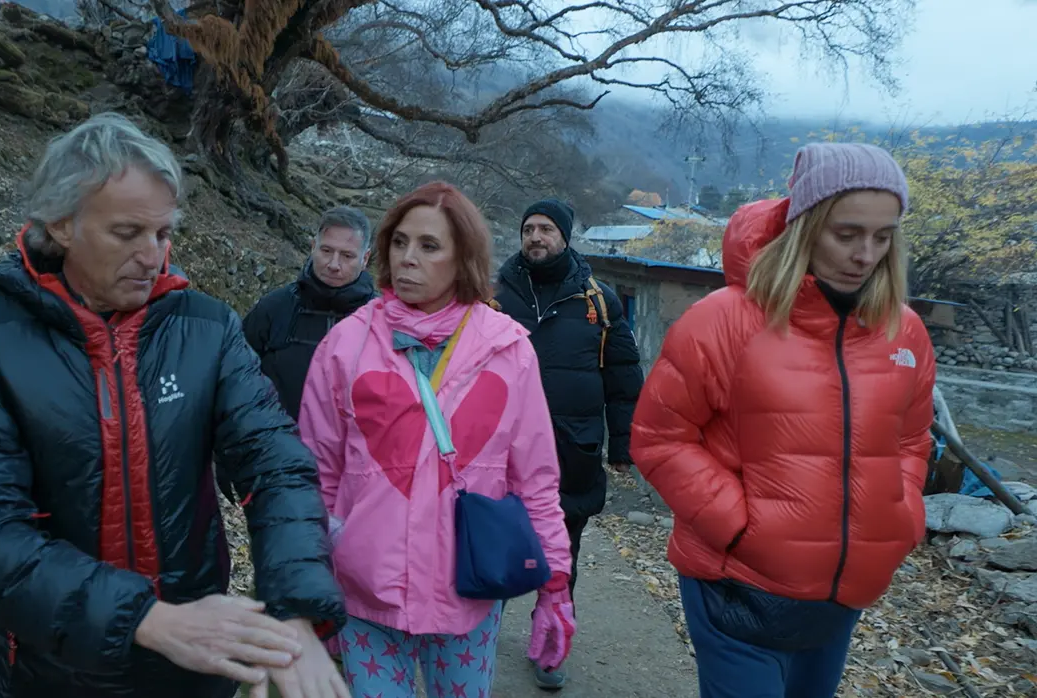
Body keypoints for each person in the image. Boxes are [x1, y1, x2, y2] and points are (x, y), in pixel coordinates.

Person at [0, 112, 349, 698]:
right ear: (61, 224)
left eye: (163, 234)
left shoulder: (208, 328)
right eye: (127, 233)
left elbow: (277, 465)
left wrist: (294, 608)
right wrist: (147, 620)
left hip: (194, 667)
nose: (153, 256)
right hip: (47, 668)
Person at [630, 142, 934, 698]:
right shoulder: (722, 321)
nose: (866, 254)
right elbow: (660, 437)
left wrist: (902, 513)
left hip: (844, 593)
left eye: (883, 236)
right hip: (737, 585)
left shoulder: (904, 330)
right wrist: (739, 525)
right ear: (805, 225)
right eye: (846, 234)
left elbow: (912, 438)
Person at [297, 181, 576, 698]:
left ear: (462, 257)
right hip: (366, 594)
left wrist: (555, 583)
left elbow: (536, 478)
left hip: (467, 595)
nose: (407, 258)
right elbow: (317, 473)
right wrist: (313, 575)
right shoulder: (346, 345)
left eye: (428, 246)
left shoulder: (507, 350)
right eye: (399, 242)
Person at [491, 198, 644, 688]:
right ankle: (472, 635)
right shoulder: (494, 292)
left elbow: (623, 377)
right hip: (499, 450)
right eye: (529, 228)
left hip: (569, 450)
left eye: (546, 229)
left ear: (565, 236)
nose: (536, 237)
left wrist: (622, 448)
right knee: (488, 543)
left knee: (563, 555)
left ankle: (550, 643)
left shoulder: (597, 300)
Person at [243, 205, 376, 422]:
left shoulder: (382, 321)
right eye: (326, 251)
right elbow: (236, 377)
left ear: (365, 259)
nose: (334, 264)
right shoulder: (274, 308)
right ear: (313, 247)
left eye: (347, 256)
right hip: (274, 445)